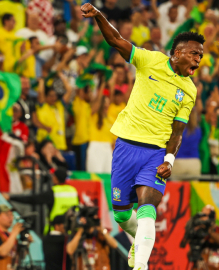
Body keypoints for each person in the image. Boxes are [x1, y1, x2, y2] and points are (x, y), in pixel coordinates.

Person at [81, 4, 203, 270]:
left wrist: (169, 159)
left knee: (148, 206)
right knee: (122, 215)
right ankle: (139, 242)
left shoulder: (189, 90)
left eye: (200, 56)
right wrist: (100, 16)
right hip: (125, 147)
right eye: (194, 53)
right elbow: (115, 40)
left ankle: (142, 266)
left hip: (155, 153)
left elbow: (178, 130)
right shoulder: (150, 60)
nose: (198, 59)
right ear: (178, 53)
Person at [3, 168, 79, 234]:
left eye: (53, 176)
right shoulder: (73, 191)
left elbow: (32, 199)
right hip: (71, 229)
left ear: (56, 178)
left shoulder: (53, 192)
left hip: (55, 231)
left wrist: (11, 197)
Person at [0, 103, 29, 194]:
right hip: (3, 159)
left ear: (20, 114)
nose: (13, 113)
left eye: (16, 111)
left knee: (16, 180)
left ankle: (17, 198)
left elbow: (23, 142)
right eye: (11, 110)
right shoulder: (3, 126)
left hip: (16, 159)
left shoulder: (23, 127)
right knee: (3, 182)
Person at [189, 205, 219, 270]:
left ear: (214, 217)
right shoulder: (199, 232)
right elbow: (189, 255)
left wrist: (209, 231)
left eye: (207, 216)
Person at [87, 88, 114, 173]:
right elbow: (97, 102)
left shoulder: (110, 119)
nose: (107, 105)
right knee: (95, 174)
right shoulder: (93, 115)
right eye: (105, 103)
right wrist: (103, 82)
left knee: (109, 174)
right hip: (95, 146)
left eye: (108, 103)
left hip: (108, 148)